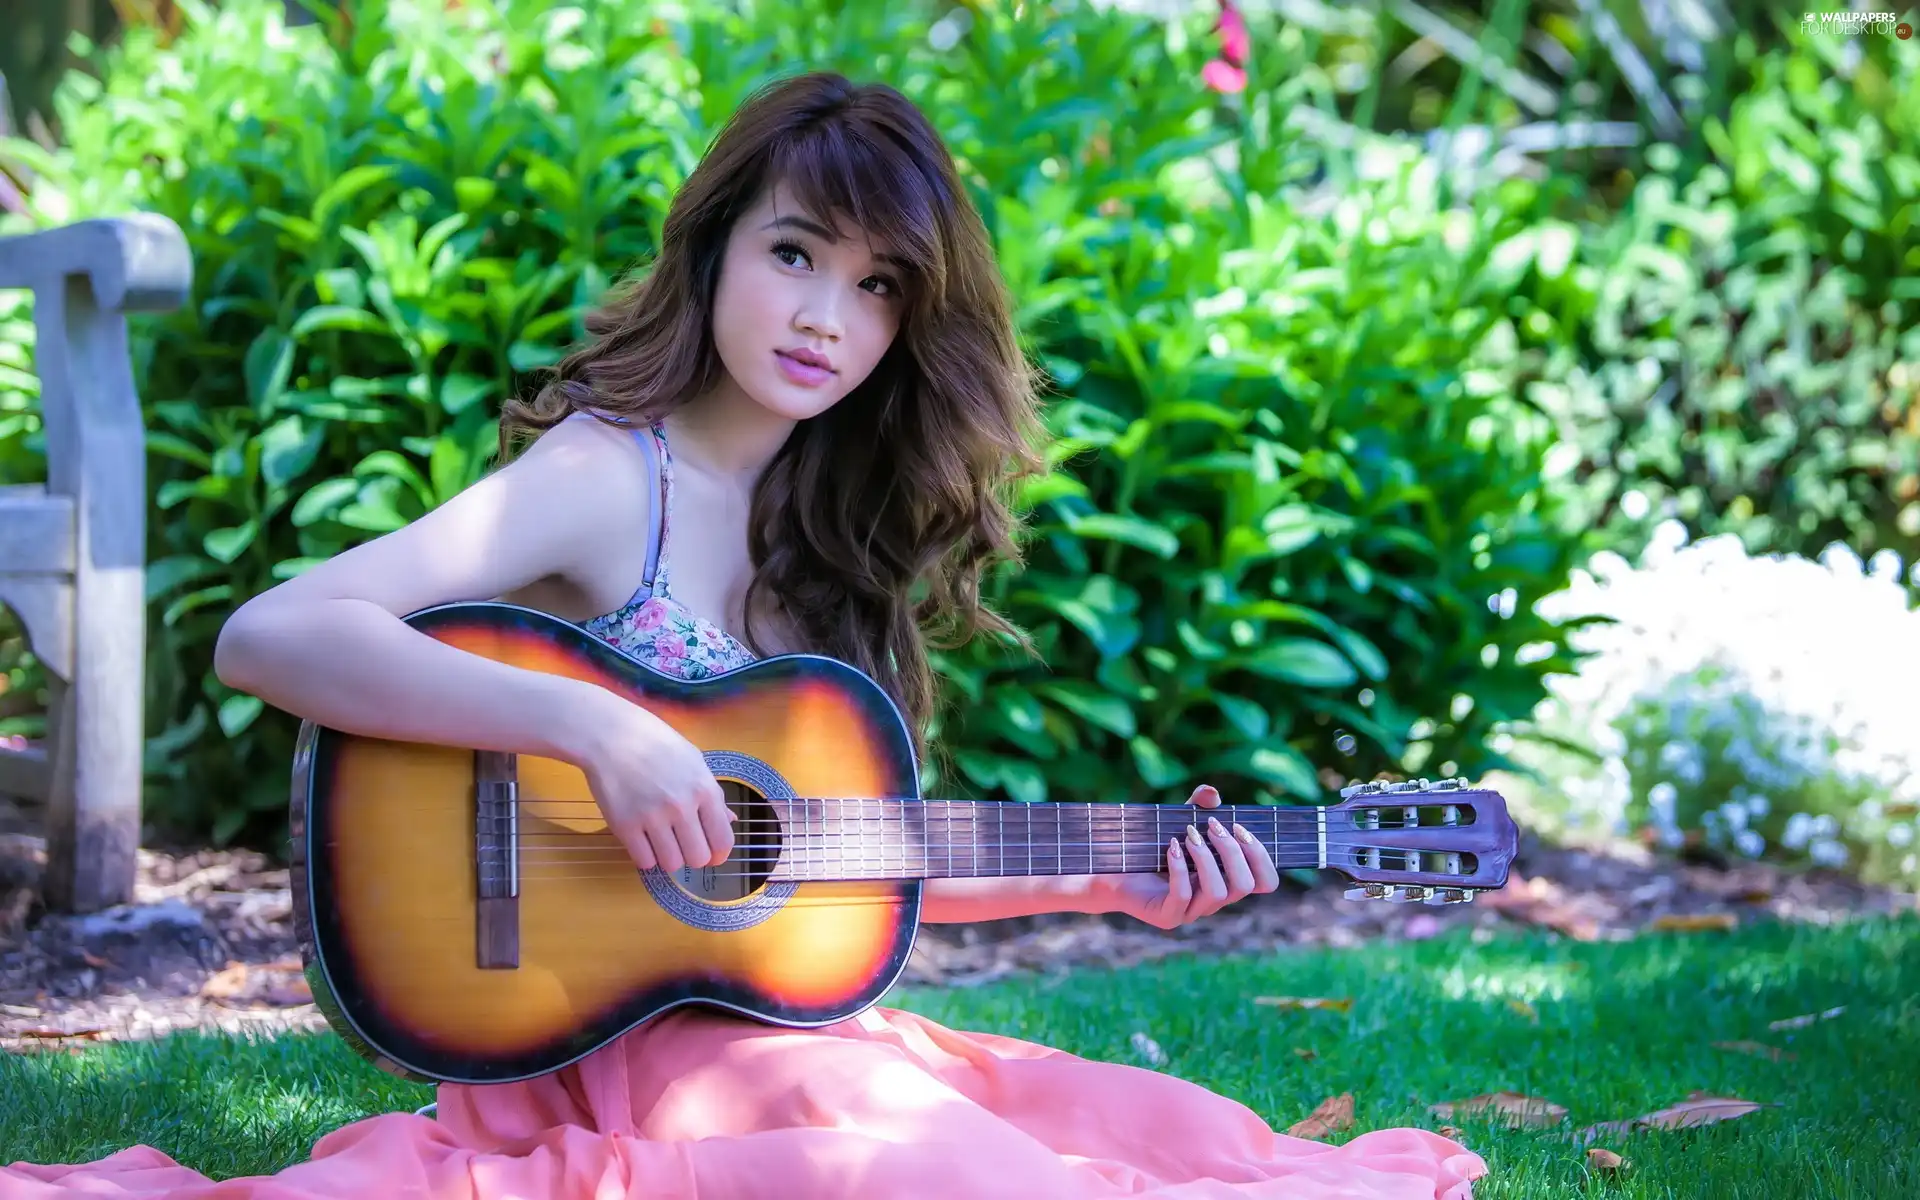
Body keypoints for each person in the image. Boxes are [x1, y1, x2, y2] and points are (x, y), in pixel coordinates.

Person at [0, 72, 1484, 1200]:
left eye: (878, 285)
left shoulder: (823, 551)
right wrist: (595, 726)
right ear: (714, 248)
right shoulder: (607, 474)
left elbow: (837, 855)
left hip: (763, 1037)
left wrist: (1122, 879)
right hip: (585, 1041)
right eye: (794, 254)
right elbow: (273, 634)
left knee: (1163, 1141)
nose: (827, 314)